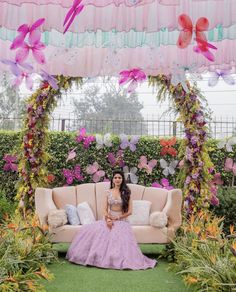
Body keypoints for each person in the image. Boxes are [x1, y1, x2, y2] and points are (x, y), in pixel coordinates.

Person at [66, 169, 157, 270]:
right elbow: (104, 209)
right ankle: (96, 257)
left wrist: (117, 218)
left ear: (122, 180)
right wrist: (108, 219)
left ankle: (116, 259)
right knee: (97, 231)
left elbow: (130, 211)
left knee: (118, 234)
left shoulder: (126, 192)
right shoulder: (108, 192)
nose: (117, 179)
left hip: (121, 220)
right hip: (109, 218)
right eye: (115, 177)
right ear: (112, 180)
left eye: (119, 178)